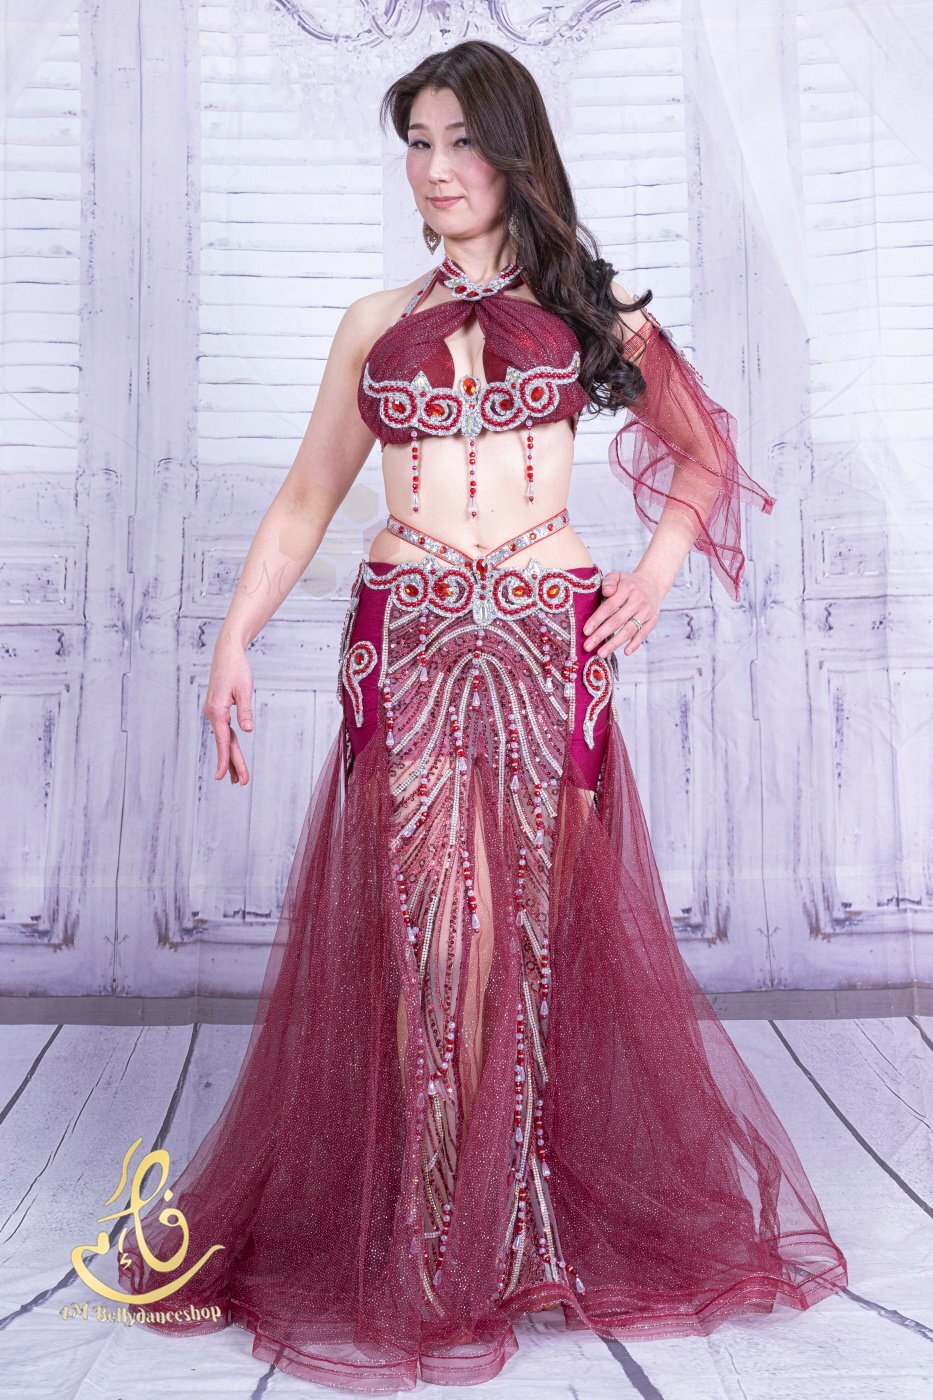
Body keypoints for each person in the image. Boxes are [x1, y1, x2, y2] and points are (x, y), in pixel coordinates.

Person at [118, 39, 847, 1393]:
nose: (438, 169)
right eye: (418, 142)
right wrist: (232, 637)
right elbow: (305, 501)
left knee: (532, 934)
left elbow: (704, 453)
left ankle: (519, 1230)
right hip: (402, 640)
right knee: (427, 940)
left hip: (544, 640)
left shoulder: (594, 308)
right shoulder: (369, 322)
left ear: (514, 151)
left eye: (462, 141)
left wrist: (650, 574)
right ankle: (433, 1238)